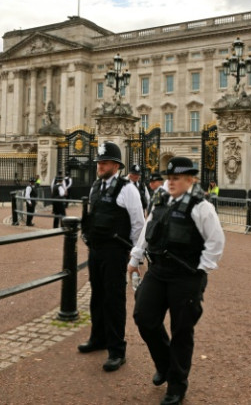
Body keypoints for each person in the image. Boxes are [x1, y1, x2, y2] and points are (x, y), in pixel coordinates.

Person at [128, 157, 225, 405]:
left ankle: (177, 385)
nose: (170, 182)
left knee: (182, 331)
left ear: (190, 180)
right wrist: (135, 258)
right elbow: (147, 231)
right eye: (169, 178)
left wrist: (201, 270)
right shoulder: (160, 199)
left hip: (186, 276)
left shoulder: (201, 206)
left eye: (176, 178)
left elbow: (216, 242)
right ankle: (165, 365)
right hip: (158, 271)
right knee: (144, 316)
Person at [78, 141, 145, 372]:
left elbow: (138, 224)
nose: (100, 166)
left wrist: (135, 256)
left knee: (114, 300)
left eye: (105, 163)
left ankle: (117, 350)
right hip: (96, 250)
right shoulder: (95, 186)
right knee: (97, 295)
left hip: (116, 251)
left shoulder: (127, 189)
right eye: (99, 162)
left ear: (116, 166)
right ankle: (98, 338)